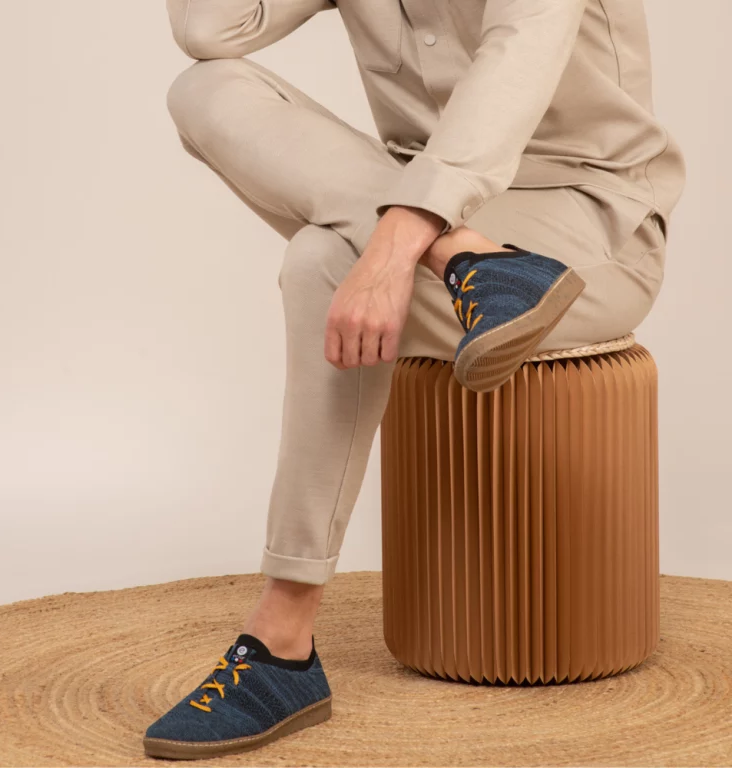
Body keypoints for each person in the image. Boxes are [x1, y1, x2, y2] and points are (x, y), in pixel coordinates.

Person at [144, 0, 685, 758]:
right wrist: (422, 240)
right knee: (204, 88)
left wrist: (398, 241)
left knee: (320, 259)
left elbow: (516, 60)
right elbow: (210, 30)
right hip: (419, 212)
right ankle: (469, 259)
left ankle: (282, 639)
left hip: (591, 226)